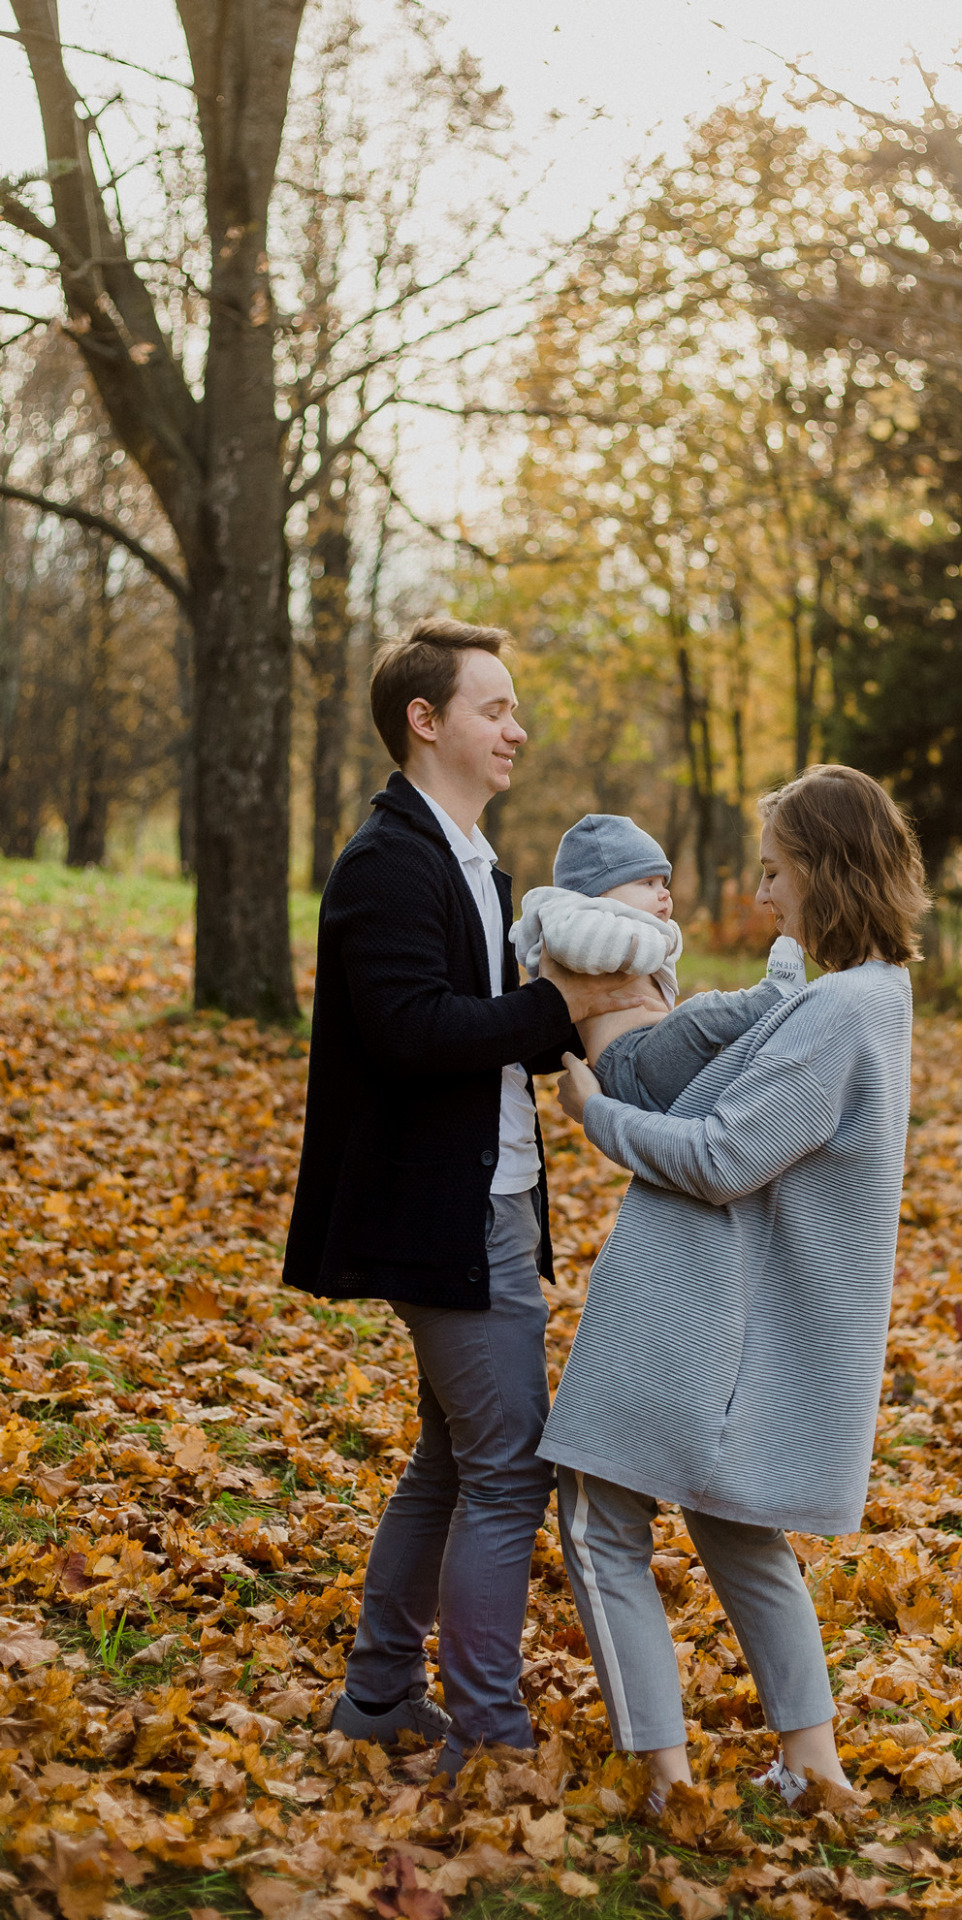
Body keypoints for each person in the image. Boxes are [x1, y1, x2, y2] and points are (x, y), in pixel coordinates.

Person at [282, 615, 652, 1775]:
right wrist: (565, 1008)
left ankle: (379, 1700)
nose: (517, 729)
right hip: (437, 1214)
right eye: (494, 708)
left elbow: (482, 1034)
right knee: (507, 1468)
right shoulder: (387, 860)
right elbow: (407, 1033)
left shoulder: (475, 859)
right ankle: (487, 1736)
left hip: (490, 1199)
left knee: (453, 1460)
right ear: (424, 720)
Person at [538, 765, 928, 1809]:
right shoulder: (867, 999)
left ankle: (662, 1777)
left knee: (593, 1511)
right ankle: (810, 1763)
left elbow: (719, 1155)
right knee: (737, 1530)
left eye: (775, 873)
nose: (763, 898)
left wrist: (592, 1112)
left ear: (826, 872)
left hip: (701, 1310)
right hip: (734, 1312)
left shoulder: (841, 1011)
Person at [512, 811, 810, 1109]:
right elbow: (575, 943)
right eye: (648, 883)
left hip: (646, 1059)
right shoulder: (574, 918)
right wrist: (655, 942)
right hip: (629, 1059)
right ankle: (773, 994)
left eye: (663, 883)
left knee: (733, 1054)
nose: (664, 893)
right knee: (699, 1015)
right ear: (599, 894)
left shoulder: (628, 928)